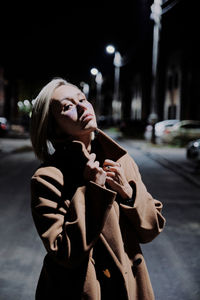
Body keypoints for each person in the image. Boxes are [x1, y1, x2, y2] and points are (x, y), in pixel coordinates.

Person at [30, 78, 166, 300]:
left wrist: (128, 194)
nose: (83, 107)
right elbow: (65, 253)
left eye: (82, 99)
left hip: (131, 287)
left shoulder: (121, 160)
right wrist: (92, 191)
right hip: (80, 291)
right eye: (67, 106)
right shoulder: (47, 178)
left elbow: (150, 229)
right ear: (53, 126)